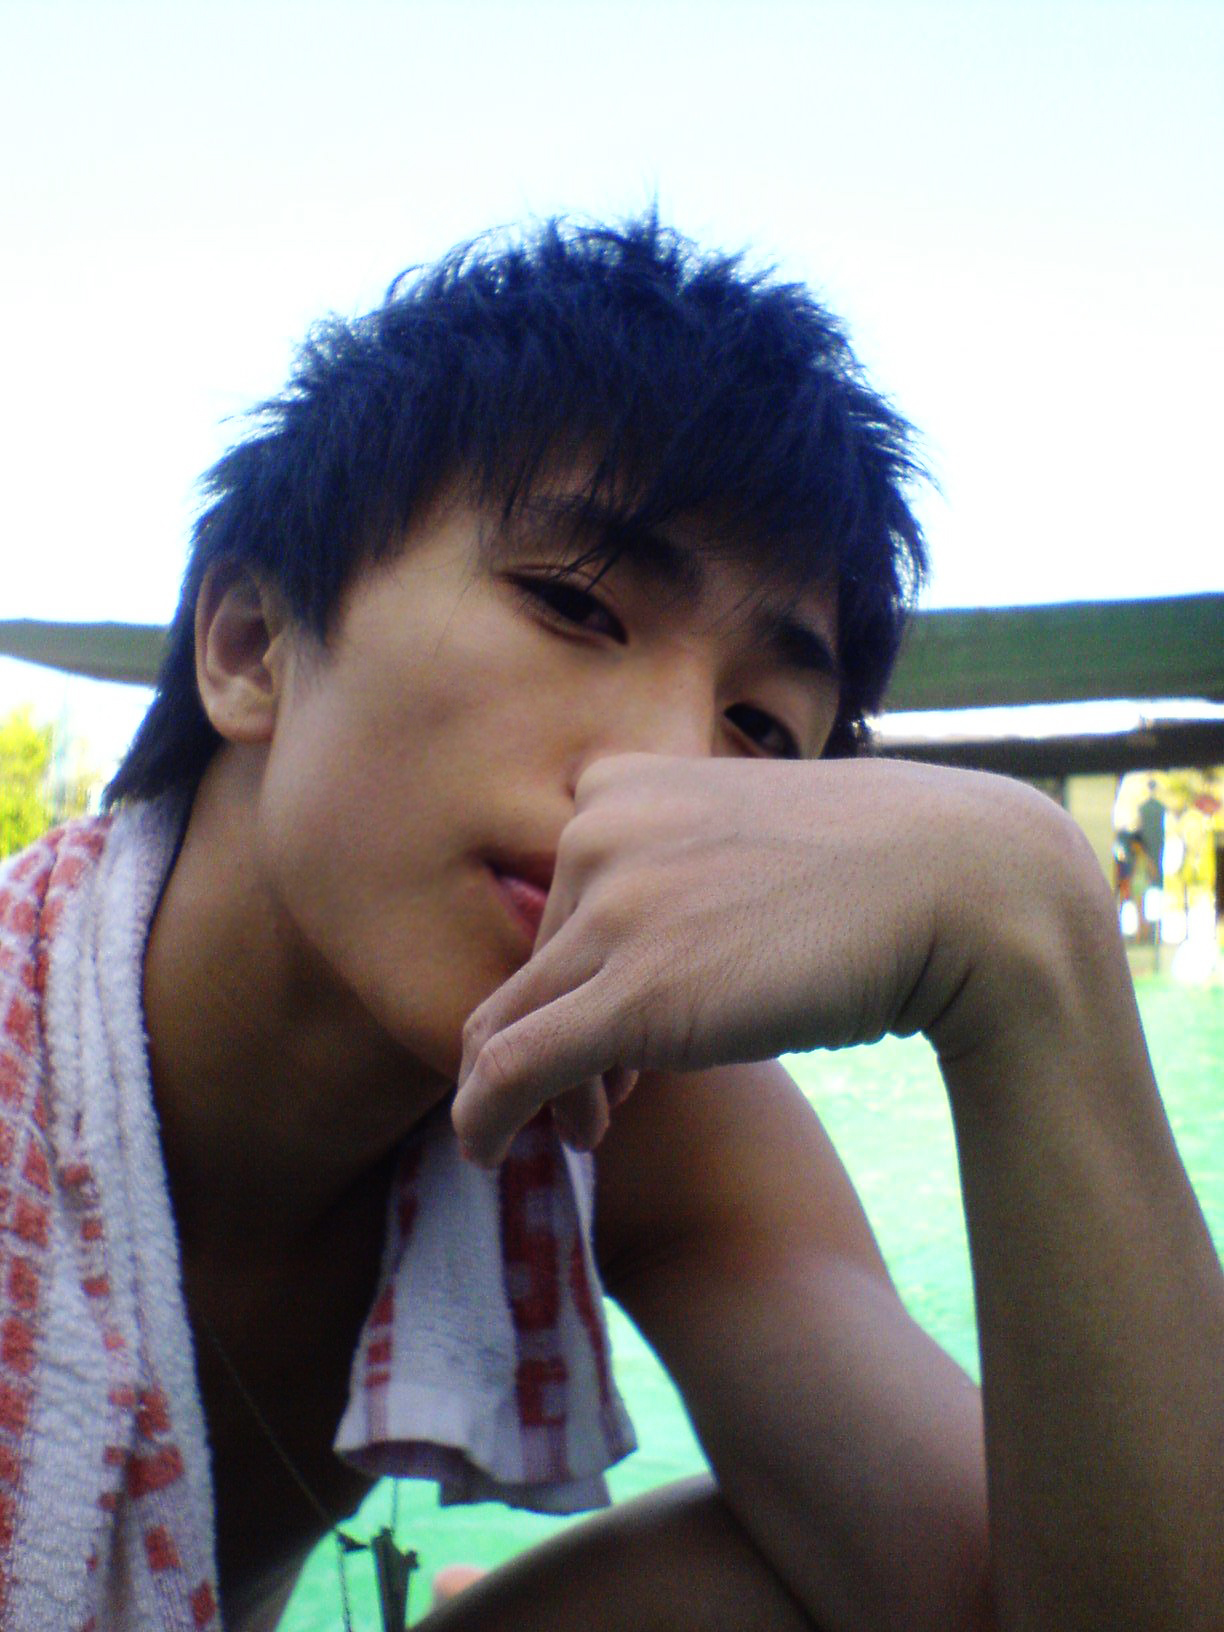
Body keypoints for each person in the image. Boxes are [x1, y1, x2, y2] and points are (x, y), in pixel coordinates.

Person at [1, 215, 1220, 1632]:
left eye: (761, 726)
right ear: (251, 645)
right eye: (574, 605)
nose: (667, 770)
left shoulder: (635, 1102)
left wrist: (1031, 932)